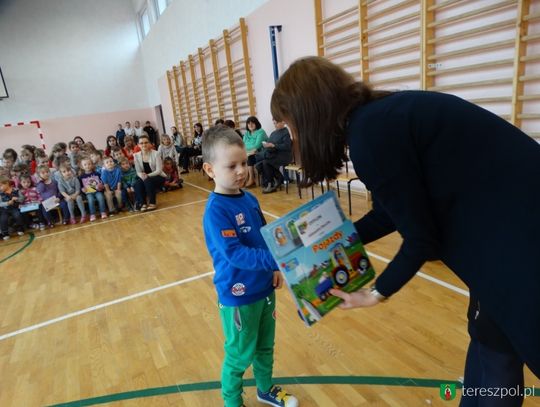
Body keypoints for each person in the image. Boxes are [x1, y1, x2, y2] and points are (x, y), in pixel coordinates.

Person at [271, 56, 540, 406]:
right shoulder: (377, 118)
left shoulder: (371, 133)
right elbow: (390, 213)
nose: (291, 139)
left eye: (290, 129)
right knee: (491, 340)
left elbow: (421, 238)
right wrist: (331, 242)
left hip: (521, 242)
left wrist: (376, 293)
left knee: (501, 342)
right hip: (508, 236)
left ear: (308, 116)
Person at [201, 125, 298, 407]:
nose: (241, 170)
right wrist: (278, 260)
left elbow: (266, 239)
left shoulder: (250, 198)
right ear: (210, 170)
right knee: (239, 355)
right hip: (238, 295)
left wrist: (275, 268)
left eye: (243, 163)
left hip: (264, 289)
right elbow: (236, 254)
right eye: (231, 166)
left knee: (265, 347)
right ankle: (232, 402)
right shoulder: (216, 211)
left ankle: (265, 389)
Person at [255, 119, 292, 194]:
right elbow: (269, 142)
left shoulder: (286, 132)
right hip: (273, 154)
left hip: (283, 155)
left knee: (266, 162)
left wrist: (274, 145)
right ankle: (277, 179)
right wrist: (266, 145)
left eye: (277, 123)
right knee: (259, 164)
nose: (275, 125)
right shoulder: (273, 133)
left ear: (283, 122)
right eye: (274, 123)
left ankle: (271, 184)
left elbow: (287, 146)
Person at [133, 134, 166, 211]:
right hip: (145, 177)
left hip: (158, 176)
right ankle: (143, 203)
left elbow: (159, 170)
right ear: (138, 145)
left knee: (147, 180)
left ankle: (152, 203)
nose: (144, 144)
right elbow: (138, 171)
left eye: (146, 142)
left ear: (150, 143)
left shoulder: (156, 153)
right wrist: (142, 176)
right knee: (137, 184)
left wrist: (147, 175)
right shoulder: (136, 156)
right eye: (141, 143)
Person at [79, 157, 107, 221]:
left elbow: (102, 182)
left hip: (97, 191)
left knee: (100, 197)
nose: (87, 166)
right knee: (90, 199)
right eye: (85, 165)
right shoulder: (81, 176)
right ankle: (92, 214)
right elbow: (81, 187)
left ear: (92, 165)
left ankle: (103, 212)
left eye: (89, 164)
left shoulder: (97, 174)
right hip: (89, 192)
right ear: (82, 167)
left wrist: (101, 186)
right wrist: (82, 189)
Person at [243, 116, 267, 187]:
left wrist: (248, 150)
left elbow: (257, 145)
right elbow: (243, 145)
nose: (250, 125)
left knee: (249, 157)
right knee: (244, 157)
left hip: (261, 153)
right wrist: (249, 150)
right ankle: (244, 179)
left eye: (252, 123)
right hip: (250, 153)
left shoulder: (261, 132)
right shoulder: (247, 133)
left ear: (256, 124)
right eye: (248, 123)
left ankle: (251, 179)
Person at [0, 176, 25, 240]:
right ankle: (5, 233)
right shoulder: (0, 193)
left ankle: (20, 229)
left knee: (17, 215)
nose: (0, 188)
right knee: (3, 219)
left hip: (14, 208)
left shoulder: (16, 190)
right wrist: (7, 203)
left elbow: (22, 199)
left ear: (7, 183)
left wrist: (17, 199)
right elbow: (0, 204)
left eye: (1, 185)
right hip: (4, 209)